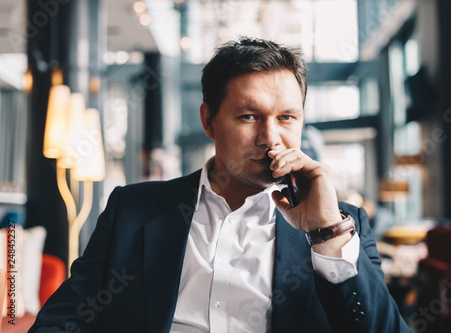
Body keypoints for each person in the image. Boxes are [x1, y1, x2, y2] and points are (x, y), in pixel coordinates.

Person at [29, 37, 412, 333]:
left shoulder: (344, 226)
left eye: (286, 117)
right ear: (208, 121)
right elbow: (63, 319)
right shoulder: (133, 209)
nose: (270, 138)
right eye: (249, 116)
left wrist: (326, 234)